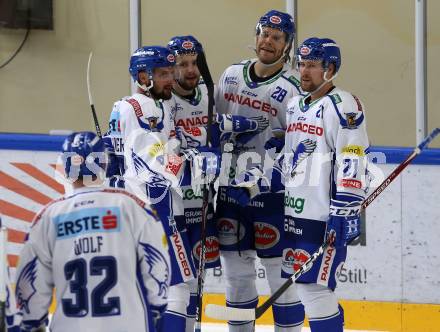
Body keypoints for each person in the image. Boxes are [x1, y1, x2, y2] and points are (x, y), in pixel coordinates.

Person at [14, 131, 171, 332]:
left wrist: (34, 324)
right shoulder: (132, 207)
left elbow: (30, 290)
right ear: (103, 163)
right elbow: (158, 267)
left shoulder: (47, 217)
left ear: (66, 166)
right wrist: (156, 308)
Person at [215, 9, 304, 332]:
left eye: (277, 37)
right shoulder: (230, 75)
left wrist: (261, 183)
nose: (268, 41)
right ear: (256, 36)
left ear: (287, 45)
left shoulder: (293, 87)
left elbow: (299, 149)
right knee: (237, 279)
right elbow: (214, 130)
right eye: (264, 34)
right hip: (229, 195)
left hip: (272, 199)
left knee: (282, 280)